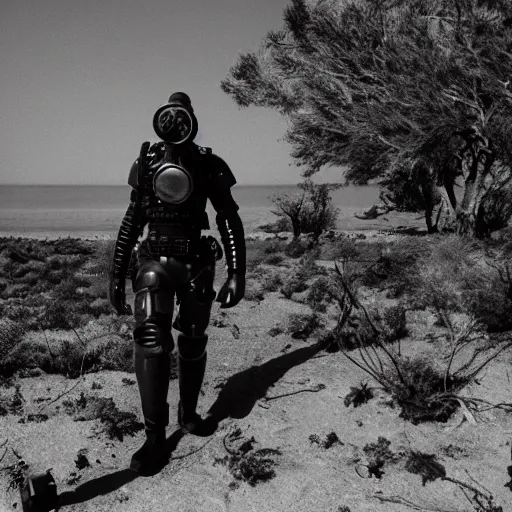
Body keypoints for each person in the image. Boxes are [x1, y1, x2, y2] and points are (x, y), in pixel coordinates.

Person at [109, 92, 246, 475]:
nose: (175, 126)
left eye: (182, 117)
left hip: (196, 264)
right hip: (154, 262)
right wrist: (116, 274)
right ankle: (154, 438)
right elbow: (132, 220)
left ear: (191, 120)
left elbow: (228, 218)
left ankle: (188, 414)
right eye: (170, 118)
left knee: (193, 337)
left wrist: (237, 271)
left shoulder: (208, 164)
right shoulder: (147, 162)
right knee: (151, 342)